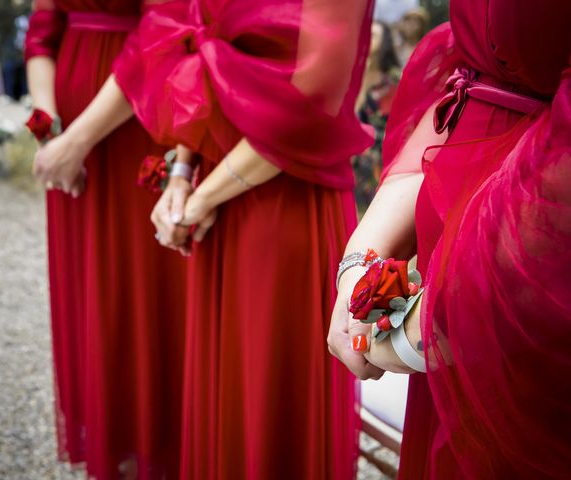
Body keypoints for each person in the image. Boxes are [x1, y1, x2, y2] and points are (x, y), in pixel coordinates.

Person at [37, 0, 376, 477]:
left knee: (262, 399)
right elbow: (194, 57)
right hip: (216, 188)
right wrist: (180, 174)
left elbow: (309, 105)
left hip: (284, 197)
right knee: (214, 394)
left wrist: (201, 199)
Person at [328, 0, 571, 478]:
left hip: (522, 306)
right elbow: (470, 83)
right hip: (451, 303)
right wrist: (359, 261)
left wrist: (416, 334)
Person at [24, 1, 186, 478]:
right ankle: (109, 441)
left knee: (137, 289)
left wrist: (76, 141)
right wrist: (49, 132)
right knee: (87, 291)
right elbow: (40, 34)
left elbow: (158, 36)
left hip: (136, 118)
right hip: (68, 137)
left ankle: (153, 451)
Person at [354, 20, 400, 211]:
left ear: (385, 42)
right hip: (350, 158)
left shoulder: (393, 78)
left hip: (380, 160)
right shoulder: (352, 69)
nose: (368, 38)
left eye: (374, 35)